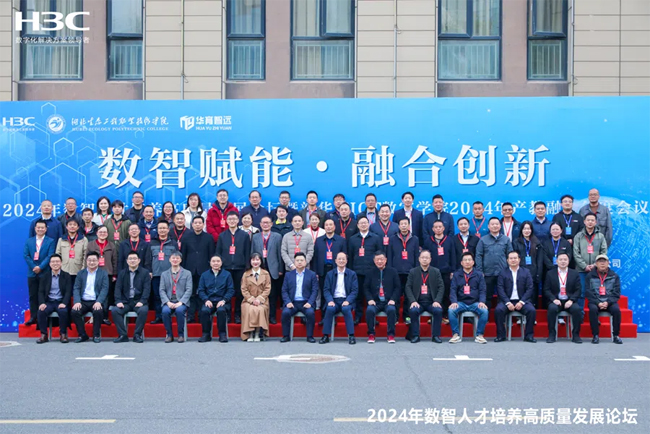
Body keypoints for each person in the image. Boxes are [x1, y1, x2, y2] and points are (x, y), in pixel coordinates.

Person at [216, 211, 251, 324]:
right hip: (225, 268)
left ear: (238, 220)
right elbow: (218, 252)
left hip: (240, 268)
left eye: (234, 219)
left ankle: (237, 314)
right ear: (226, 221)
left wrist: (247, 267)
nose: (232, 221)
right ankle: (227, 314)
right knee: (226, 291)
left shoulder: (244, 235)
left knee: (239, 292)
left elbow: (247, 252)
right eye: (230, 219)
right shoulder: (222, 236)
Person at [494, 251, 537, 343]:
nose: (513, 260)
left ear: (519, 259)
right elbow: (500, 289)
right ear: (507, 260)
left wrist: (521, 302)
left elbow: (530, 288)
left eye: (515, 258)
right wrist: (507, 302)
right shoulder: (502, 272)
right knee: (498, 310)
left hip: (522, 301)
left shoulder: (526, 272)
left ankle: (528, 336)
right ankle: (501, 335)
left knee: (531, 311)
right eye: (511, 258)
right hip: (507, 301)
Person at [347, 216, 382, 325]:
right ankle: (358, 317)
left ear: (368, 224)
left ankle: (372, 317)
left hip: (372, 272)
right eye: (361, 223)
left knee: (372, 296)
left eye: (365, 223)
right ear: (357, 225)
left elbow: (379, 255)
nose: (363, 225)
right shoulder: (352, 239)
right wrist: (351, 272)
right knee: (358, 296)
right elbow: (350, 257)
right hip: (357, 272)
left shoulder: (376, 238)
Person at [405, 250, 444, 344]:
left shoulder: (436, 271)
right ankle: (415, 335)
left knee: (438, 311)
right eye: (422, 257)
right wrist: (413, 301)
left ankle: (436, 336)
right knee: (413, 310)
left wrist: (437, 301)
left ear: (430, 259)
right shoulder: (413, 272)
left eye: (427, 258)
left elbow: (441, 287)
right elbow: (408, 287)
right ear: (419, 259)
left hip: (432, 302)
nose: (424, 259)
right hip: (418, 302)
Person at [181, 216, 216, 323]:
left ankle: (202, 315)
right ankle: (191, 315)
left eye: (200, 223)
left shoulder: (209, 237)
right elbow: (183, 254)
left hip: (204, 270)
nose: (197, 225)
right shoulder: (186, 237)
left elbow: (211, 255)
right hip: (189, 269)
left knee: (202, 292)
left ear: (203, 224)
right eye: (195, 223)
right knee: (190, 293)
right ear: (192, 224)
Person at [448, 252, 489, 344]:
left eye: (469, 260)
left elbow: (482, 290)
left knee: (484, 311)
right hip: (461, 302)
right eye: (465, 260)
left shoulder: (479, 274)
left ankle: (479, 335)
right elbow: (453, 290)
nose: (467, 262)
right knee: (451, 310)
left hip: (475, 302)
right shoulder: (456, 275)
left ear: (473, 262)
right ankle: (455, 334)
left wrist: (482, 301)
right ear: (461, 263)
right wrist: (454, 302)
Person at [111, 251, 150, 343]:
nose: (132, 261)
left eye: (135, 259)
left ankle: (137, 335)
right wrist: (118, 301)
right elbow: (118, 288)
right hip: (126, 301)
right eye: (130, 259)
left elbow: (147, 289)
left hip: (139, 300)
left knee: (143, 310)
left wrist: (142, 301)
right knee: (115, 310)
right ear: (127, 261)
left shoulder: (145, 273)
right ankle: (123, 335)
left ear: (139, 260)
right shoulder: (122, 273)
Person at [320, 252, 359, 345]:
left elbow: (354, 291)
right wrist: (330, 300)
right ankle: (325, 335)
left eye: (343, 259)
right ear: (335, 261)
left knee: (346, 309)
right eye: (339, 259)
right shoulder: (330, 274)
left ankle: (351, 335)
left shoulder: (352, 274)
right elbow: (326, 290)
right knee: (329, 309)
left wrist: (348, 301)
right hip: (334, 300)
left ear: (346, 261)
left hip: (346, 300)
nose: (341, 261)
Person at [544, 252, 583, 343]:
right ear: (556, 261)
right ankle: (552, 334)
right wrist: (554, 299)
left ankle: (576, 335)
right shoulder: (550, 273)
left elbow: (578, 290)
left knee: (577, 309)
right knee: (552, 308)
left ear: (568, 261)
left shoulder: (574, 273)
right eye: (560, 259)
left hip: (569, 300)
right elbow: (546, 290)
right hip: (556, 300)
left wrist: (571, 300)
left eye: (565, 260)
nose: (563, 261)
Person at [144, 220, 177, 324]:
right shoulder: (152, 243)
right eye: (160, 228)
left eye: (164, 228)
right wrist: (149, 271)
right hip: (156, 274)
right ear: (157, 230)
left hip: (170, 275)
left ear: (168, 229)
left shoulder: (173, 243)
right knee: (157, 296)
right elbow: (148, 259)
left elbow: (177, 258)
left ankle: (169, 314)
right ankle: (159, 316)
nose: (162, 230)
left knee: (170, 295)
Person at [251, 216, 284, 324]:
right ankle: (261, 317)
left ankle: (272, 316)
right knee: (260, 293)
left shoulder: (277, 236)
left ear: (271, 224)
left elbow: (280, 254)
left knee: (272, 294)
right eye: (263, 223)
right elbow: (252, 252)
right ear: (260, 224)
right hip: (259, 268)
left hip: (273, 269)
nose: (265, 225)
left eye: (268, 223)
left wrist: (280, 269)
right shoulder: (255, 237)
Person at [280, 252, 318, 343]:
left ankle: (310, 336)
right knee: (285, 313)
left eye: (301, 260)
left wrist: (310, 302)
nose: (299, 262)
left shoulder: (312, 274)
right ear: (294, 262)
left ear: (305, 262)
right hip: (293, 302)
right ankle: (286, 336)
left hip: (306, 302)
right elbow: (284, 290)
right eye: (297, 260)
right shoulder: (288, 275)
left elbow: (315, 291)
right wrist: (288, 302)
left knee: (310, 313)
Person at [475, 217, 512, 310]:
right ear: (488, 226)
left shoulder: (506, 239)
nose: (495, 226)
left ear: (500, 226)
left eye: (497, 224)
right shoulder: (483, 240)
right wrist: (480, 271)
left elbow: (510, 255)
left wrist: (509, 270)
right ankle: (486, 315)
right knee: (487, 296)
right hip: (487, 273)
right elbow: (478, 255)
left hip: (503, 272)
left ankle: (502, 316)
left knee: (503, 296)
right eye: (492, 224)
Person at [24, 220, 56, 326]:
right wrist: (34, 267)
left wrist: (40, 267)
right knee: (33, 296)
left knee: (45, 295)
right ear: (35, 228)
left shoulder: (50, 241)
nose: (40, 229)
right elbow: (26, 255)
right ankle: (33, 317)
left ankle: (44, 319)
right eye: (38, 227)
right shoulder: (29, 241)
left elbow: (50, 255)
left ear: (46, 229)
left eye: (42, 227)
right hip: (32, 272)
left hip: (45, 272)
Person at [71, 252, 109, 343]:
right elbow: (76, 288)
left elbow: (104, 289)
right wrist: (77, 301)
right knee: (74, 311)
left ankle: (96, 335)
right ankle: (82, 335)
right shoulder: (81, 273)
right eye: (89, 260)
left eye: (94, 260)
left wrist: (99, 301)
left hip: (96, 300)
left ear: (98, 261)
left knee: (98, 311)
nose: (92, 262)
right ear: (86, 261)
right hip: (83, 301)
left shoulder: (103, 274)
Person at [388, 216, 420, 322]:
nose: (404, 226)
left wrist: (416, 270)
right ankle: (395, 316)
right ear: (398, 226)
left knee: (408, 295)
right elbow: (390, 255)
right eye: (402, 224)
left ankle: (407, 316)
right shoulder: (393, 238)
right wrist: (391, 270)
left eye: (406, 224)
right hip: (396, 271)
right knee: (396, 295)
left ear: (409, 225)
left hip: (410, 272)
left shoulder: (415, 239)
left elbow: (416, 256)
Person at [364, 252, 401, 343]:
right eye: (377, 260)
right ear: (374, 261)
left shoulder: (393, 272)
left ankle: (391, 335)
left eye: (382, 259)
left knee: (391, 310)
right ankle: (371, 334)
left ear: (386, 260)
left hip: (388, 301)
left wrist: (393, 299)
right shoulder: (370, 272)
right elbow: (366, 288)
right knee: (370, 310)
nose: (379, 261)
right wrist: (370, 299)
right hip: (375, 301)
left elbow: (398, 287)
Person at [314, 219, 347, 318]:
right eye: (326, 225)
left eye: (330, 225)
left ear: (334, 227)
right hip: (322, 270)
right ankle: (324, 317)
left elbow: (345, 256)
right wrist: (316, 272)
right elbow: (315, 257)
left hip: (336, 270)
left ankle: (334, 316)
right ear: (324, 227)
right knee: (324, 293)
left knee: (334, 292)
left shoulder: (341, 240)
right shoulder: (319, 240)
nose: (328, 227)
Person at [573, 212, 608, 308]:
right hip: (581, 270)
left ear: (596, 222)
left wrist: (595, 265)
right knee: (581, 292)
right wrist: (584, 266)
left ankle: (595, 313)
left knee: (596, 292)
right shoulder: (578, 236)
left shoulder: (600, 236)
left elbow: (603, 252)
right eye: (588, 220)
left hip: (596, 270)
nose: (590, 222)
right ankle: (580, 314)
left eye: (592, 220)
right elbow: (576, 253)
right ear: (584, 222)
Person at [197, 255, 234, 343]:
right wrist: (206, 299)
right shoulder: (204, 275)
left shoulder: (227, 275)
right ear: (210, 263)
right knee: (204, 311)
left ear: (221, 263)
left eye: (218, 261)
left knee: (221, 310)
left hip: (222, 301)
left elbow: (231, 290)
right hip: (209, 300)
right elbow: (201, 290)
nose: (215, 263)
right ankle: (206, 334)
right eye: (213, 261)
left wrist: (224, 300)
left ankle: (222, 334)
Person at [587, 255, 623, 344]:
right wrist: (598, 302)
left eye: (604, 261)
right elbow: (588, 292)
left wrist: (608, 302)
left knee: (616, 310)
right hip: (596, 301)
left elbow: (616, 293)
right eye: (600, 261)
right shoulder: (590, 276)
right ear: (596, 264)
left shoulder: (614, 276)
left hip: (609, 301)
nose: (602, 263)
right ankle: (595, 335)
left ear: (608, 263)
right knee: (592, 309)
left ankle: (616, 335)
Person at [423, 220, 456, 317]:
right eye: (436, 227)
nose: (438, 229)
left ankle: (444, 314)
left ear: (443, 228)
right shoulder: (428, 241)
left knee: (445, 292)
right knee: (433, 293)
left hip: (446, 271)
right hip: (431, 271)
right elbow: (424, 256)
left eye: (440, 227)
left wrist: (453, 270)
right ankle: (433, 315)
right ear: (432, 229)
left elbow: (453, 256)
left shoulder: (449, 240)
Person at [36, 254, 72, 343]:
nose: (55, 263)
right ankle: (44, 335)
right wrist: (42, 303)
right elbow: (40, 291)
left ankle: (63, 334)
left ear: (61, 263)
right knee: (41, 311)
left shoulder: (66, 276)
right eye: (53, 262)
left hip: (61, 301)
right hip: (49, 302)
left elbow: (68, 292)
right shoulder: (45, 276)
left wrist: (64, 303)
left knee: (63, 311)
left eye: (57, 261)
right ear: (49, 264)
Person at [86, 225, 118, 325]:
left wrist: (114, 274)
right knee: (94, 293)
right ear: (96, 233)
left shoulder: (111, 245)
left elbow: (114, 260)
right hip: (93, 272)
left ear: (107, 234)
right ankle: (95, 315)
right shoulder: (91, 245)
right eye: (100, 232)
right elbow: (86, 259)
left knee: (106, 295)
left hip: (107, 273)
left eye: (104, 232)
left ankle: (104, 316)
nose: (102, 234)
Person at [160, 252, 193, 343]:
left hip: (181, 301)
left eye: (177, 258)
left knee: (179, 311)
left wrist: (181, 302)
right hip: (169, 301)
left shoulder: (187, 273)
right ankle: (169, 335)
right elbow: (162, 290)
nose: (175, 260)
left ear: (181, 260)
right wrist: (167, 302)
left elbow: (189, 289)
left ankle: (181, 334)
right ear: (169, 260)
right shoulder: (164, 274)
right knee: (165, 311)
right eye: (173, 258)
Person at [240, 253, 271, 341]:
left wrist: (259, 299)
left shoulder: (266, 274)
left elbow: (267, 288)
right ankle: (250, 334)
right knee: (249, 309)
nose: (255, 262)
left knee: (259, 309)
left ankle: (257, 333)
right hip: (248, 300)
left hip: (262, 300)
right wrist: (251, 299)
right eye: (253, 260)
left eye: (257, 260)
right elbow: (244, 289)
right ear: (250, 261)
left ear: (261, 261)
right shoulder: (246, 274)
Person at [512, 221, 544, 307]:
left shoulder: (537, 242)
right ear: (521, 230)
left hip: (533, 271)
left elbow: (540, 260)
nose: (527, 231)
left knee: (533, 293)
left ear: (532, 230)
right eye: (525, 229)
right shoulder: (516, 242)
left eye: (528, 229)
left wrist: (538, 273)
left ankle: (533, 311)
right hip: (520, 271)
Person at [55, 219, 88, 288]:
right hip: (64, 270)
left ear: (78, 227)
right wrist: (59, 268)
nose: (72, 226)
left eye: (74, 225)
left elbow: (85, 255)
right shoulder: (61, 239)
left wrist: (83, 269)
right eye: (70, 224)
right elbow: (57, 254)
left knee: (76, 290)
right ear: (66, 227)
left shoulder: (83, 239)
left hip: (78, 270)